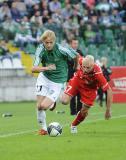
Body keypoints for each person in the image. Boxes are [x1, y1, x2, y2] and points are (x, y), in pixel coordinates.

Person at [31, 30, 78, 135]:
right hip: (44, 78)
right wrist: (47, 68)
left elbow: (75, 55)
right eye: (46, 42)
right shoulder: (40, 49)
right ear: (43, 42)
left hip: (57, 82)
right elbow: (33, 68)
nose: (48, 45)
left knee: (44, 106)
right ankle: (43, 129)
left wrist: (76, 66)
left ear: (54, 41)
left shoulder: (61, 49)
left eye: (50, 42)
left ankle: (52, 102)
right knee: (39, 106)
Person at [61, 55, 112, 134]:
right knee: (64, 101)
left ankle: (73, 125)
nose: (85, 70)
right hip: (77, 80)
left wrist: (108, 110)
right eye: (83, 67)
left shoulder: (98, 74)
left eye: (88, 68)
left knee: (84, 112)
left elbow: (109, 90)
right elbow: (76, 56)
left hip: (90, 89)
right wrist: (75, 66)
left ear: (93, 65)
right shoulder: (81, 60)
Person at [67, 38, 83, 115]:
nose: (76, 45)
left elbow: (83, 61)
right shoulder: (67, 52)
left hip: (79, 76)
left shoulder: (80, 52)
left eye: (77, 43)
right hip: (71, 76)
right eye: (74, 43)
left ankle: (79, 111)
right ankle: (73, 112)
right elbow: (69, 62)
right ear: (71, 44)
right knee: (72, 94)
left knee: (80, 94)